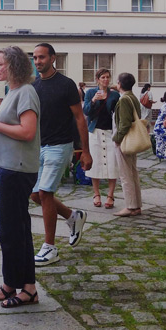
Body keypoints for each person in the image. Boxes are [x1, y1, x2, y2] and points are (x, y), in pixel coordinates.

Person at [0, 46, 41, 308]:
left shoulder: (26, 92)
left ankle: (17, 286)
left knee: (11, 230)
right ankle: (20, 286)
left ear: (13, 65)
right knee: (17, 230)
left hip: (16, 169)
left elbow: (27, 131)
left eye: (1, 63)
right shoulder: (13, 91)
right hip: (8, 167)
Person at [30, 43, 92, 266]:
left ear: (53, 58)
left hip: (60, 145)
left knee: (45, 193)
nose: (38, 62)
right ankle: (73, 216)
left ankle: (50, 248)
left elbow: (79, 119)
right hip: (39, 146)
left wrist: (85, 151)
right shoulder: (34, 85)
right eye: (35, 58)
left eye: (42, 57)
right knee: (35, 195)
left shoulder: (66, 85)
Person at [83, 68, 120, 209]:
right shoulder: (91, 92)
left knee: (112, 162)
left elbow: (118, 112)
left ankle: (110, 195)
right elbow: (86, 111)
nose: (105, 80)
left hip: (110, 131)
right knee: (96, 162)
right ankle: (96, 193)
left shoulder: (114, 95)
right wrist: (93, 101)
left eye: (107, 77)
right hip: (95, 131)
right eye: (103, 77)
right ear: (97, 79)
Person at [111, 72, 144, 217]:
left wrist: (117, 138)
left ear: (119, 84)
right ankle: (136, 205)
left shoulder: (124, 100)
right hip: (131, 140)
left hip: (124, 140)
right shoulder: (132, 97)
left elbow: (124, 123)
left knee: (125, 175)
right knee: (132, 172)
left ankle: (130, 206)